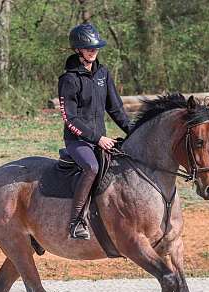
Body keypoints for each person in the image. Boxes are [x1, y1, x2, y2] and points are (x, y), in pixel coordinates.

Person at [58, 23, 132, 240]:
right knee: (91, 167)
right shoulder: (68, 80)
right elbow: (70, 118)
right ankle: (75, 221)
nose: (93, 51)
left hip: (102, 138)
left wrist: (133, 130)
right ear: (78, 50)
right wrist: (98, 139)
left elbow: (116, 108)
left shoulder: (103, 73)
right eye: (88, 48)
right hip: (78, 141)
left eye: (96, 48)